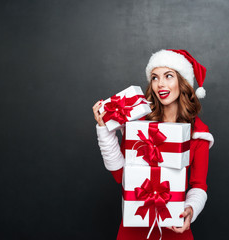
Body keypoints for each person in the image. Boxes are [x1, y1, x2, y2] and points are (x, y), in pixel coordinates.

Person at [92, 49, 214, 240]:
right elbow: (120, 176)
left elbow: (199, 185)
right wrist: (104, 130)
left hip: (175, 228)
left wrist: (190, 209)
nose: (160, 84)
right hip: (133, 229)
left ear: (183, 82)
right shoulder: (138, 125)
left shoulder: (198, 132)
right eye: (155, 77)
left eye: (168, 76)